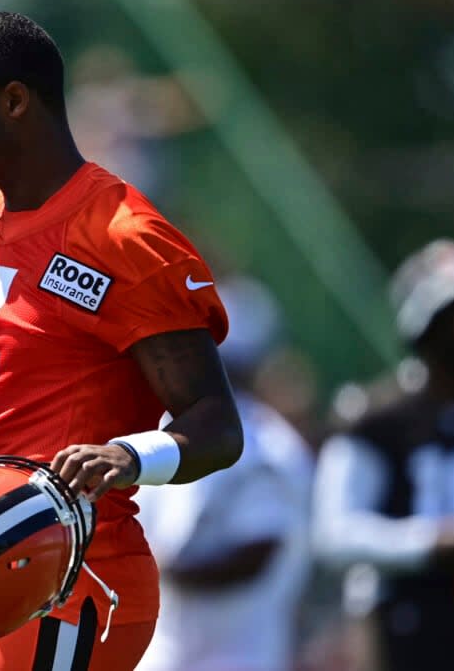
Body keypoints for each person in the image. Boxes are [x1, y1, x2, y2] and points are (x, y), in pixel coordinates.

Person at [0, 11, 243, 671]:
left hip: (74, 569)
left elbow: (218, 426)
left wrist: (129, 455)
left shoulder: (123, 236)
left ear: (15, 101)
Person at [312, 239, 454, 671]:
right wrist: (432, 543)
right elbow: (334, 534)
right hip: (399, 627)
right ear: (428, 324)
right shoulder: (375, 421)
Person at [136, 276, 314, 671]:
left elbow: (256, 554)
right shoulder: (168, 430)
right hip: (167, 648)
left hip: (240, 653)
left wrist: (163, 569)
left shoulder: (268, 446)